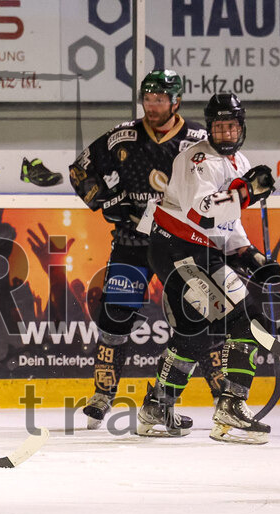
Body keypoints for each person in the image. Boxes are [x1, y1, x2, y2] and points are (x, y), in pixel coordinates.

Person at [68, 69, 220, 429]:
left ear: (176, 101)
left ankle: (224, 396)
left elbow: (224, 179)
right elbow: (79, 171)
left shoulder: (198, 140)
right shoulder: (124, 136)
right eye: (148, 100)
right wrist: (104, 200)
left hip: (182, 246)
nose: (153, 106)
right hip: (132, 244)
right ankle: (102, 395)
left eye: (160, 100)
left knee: (202, 319)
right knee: (115, 318)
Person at [138, 93, 279, 444]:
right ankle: (231, 405)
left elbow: (228, 224)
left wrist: (249, 255)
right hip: (179, 249)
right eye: (218, 126)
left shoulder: (238, 160)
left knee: (193, 331)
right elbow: (201, 211)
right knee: (247, 318)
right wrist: (246, 192)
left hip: (185, 249)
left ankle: (157, 406)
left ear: (241, 127)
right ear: (210, 127)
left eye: (231, 126)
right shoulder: (196, 158)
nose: (225, 133)